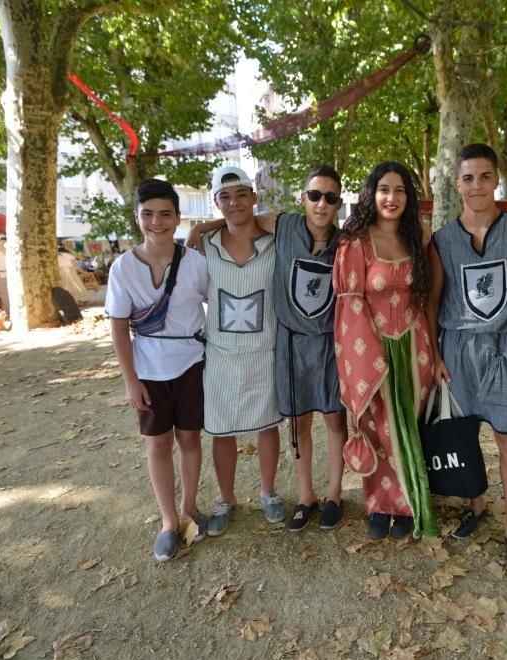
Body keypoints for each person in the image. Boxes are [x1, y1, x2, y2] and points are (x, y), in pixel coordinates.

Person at [188, 165, 349, 532]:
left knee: (329, 421)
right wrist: (201, 227)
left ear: (339, 203)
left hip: (312, 345)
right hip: (269, 346)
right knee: (289, 424)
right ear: (303, 198)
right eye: (314, 195)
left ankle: (324, 494)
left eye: (330, 197)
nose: (321, 203)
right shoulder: (282, 227)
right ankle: (297, 495)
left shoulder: (335, 240)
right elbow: (237, 217)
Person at [426, 144, 507, 579]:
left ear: (496, 181)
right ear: (457, 185)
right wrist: (434, 354)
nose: (476, 186)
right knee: (463, 436)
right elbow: (435, 301)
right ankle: (478, 505)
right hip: (457, 350)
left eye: (484, 177)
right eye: (468, 178)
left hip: (504, 349)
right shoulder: (442, 240)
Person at [104, 179, 209, 561]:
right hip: (148, 368)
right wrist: (130, 380)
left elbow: (220, 304)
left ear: (178, 218)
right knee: (158, 445)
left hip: (191, 364)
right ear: (137, 218)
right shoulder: (123, 268)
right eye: (148, 214)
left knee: (191, 440)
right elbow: (118, 324)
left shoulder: (197, 264)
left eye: (166, 214)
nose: (157, 222)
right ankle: (168, 521)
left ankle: (190, 508)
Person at [333, 161, 438, 540]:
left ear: (408, 198)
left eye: (399, 191)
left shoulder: (419, 239)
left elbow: (426, 298)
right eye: (384, 190)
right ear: (371, 194)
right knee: (377, 429)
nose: (391, 198)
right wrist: (368, 356)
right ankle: (379, 504)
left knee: (406, 428)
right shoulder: (355, 242)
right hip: (370, 349)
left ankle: (408, 504)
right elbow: (350, 304)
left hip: (415, 346)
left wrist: (435, 353)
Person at [200, 166, 286, 535]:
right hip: (220, 352)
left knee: (267, 424)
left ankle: (268, 492)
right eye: (225, 197)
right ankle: (226, 498)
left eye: (241, 195)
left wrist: (269, 219)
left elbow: (296, 224)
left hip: (263, 349)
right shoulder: (203, 246)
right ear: (216, 202)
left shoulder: (275, 240)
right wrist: (199, 229)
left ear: (253, 197)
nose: (234, 203)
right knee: (222, 429)